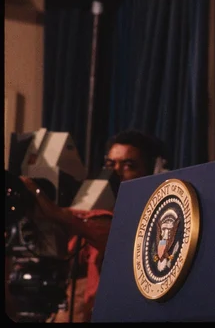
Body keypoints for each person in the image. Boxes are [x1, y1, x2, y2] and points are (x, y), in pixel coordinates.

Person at [10, 129, 169, 323]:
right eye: (110, 165)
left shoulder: (159, 221)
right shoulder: (89, 217)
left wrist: (57, 213)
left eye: (128, 165)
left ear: (152, 171)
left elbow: (111, 236)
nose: (115, 174)